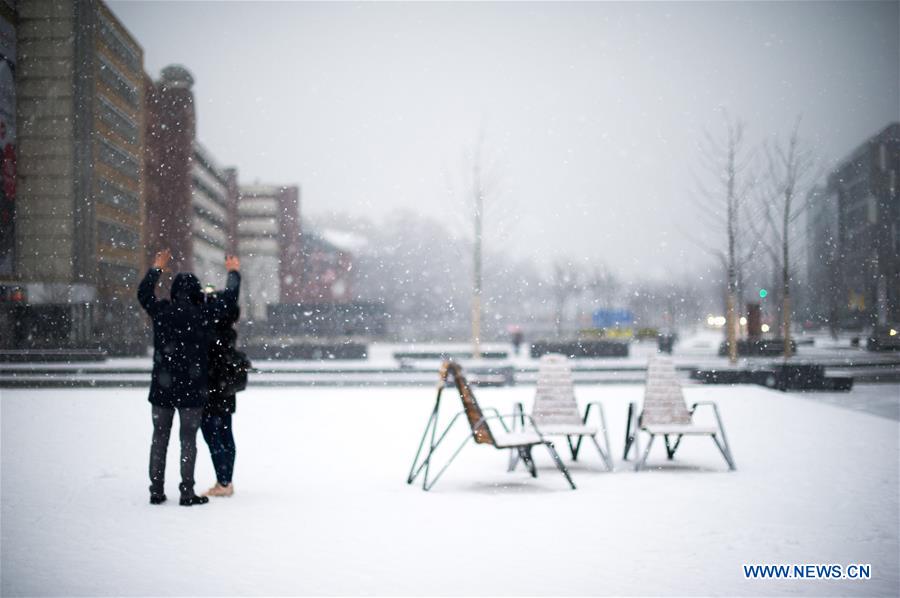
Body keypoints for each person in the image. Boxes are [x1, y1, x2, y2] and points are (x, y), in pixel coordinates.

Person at [138, 249, 240, 506]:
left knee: (159, 438)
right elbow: (229, 300)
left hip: (162, 387)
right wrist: (233, 273)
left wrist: (156, 268)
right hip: (192, 389)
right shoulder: (202, 315)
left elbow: (144, 295)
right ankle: (186, 491)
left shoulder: (161, 312)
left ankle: (156, 490)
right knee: (188, 441)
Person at [201, 285, 243, 498]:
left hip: (211, 389)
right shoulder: (229, 332)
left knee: (212, 434)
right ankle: (226, 480)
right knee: (226, 434)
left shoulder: (210, 331)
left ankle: (223, 481)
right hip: (226, 390)